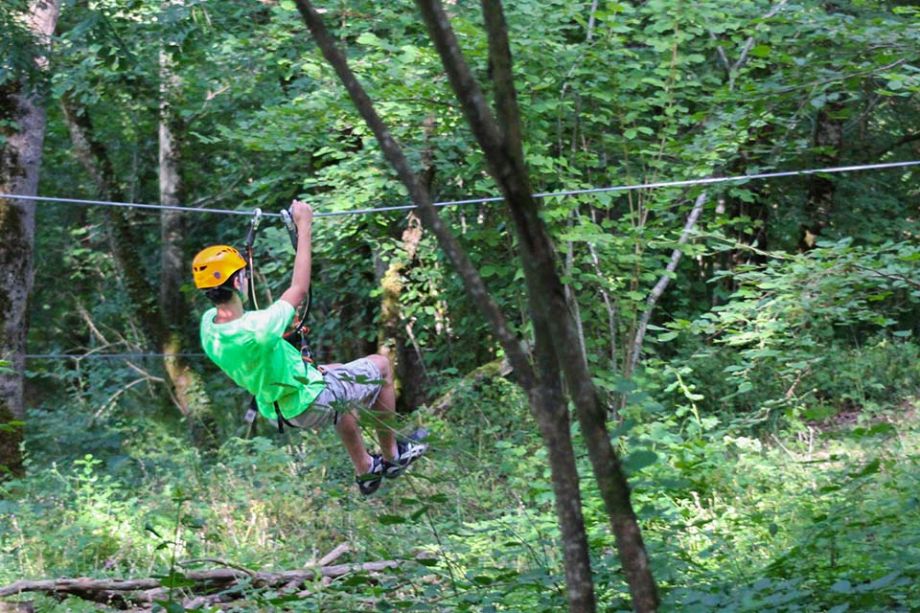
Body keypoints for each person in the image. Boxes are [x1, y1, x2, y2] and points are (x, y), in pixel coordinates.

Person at [191, 200, 426, 495]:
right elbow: (298, 290)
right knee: (380, 366)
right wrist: (305, 225)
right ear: (239, 281)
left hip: (280, 403)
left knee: (341, 383)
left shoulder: (209, 326)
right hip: (308, 400)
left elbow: (260, 351)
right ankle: (393, 457)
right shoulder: (259, 328)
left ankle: (366, 471)